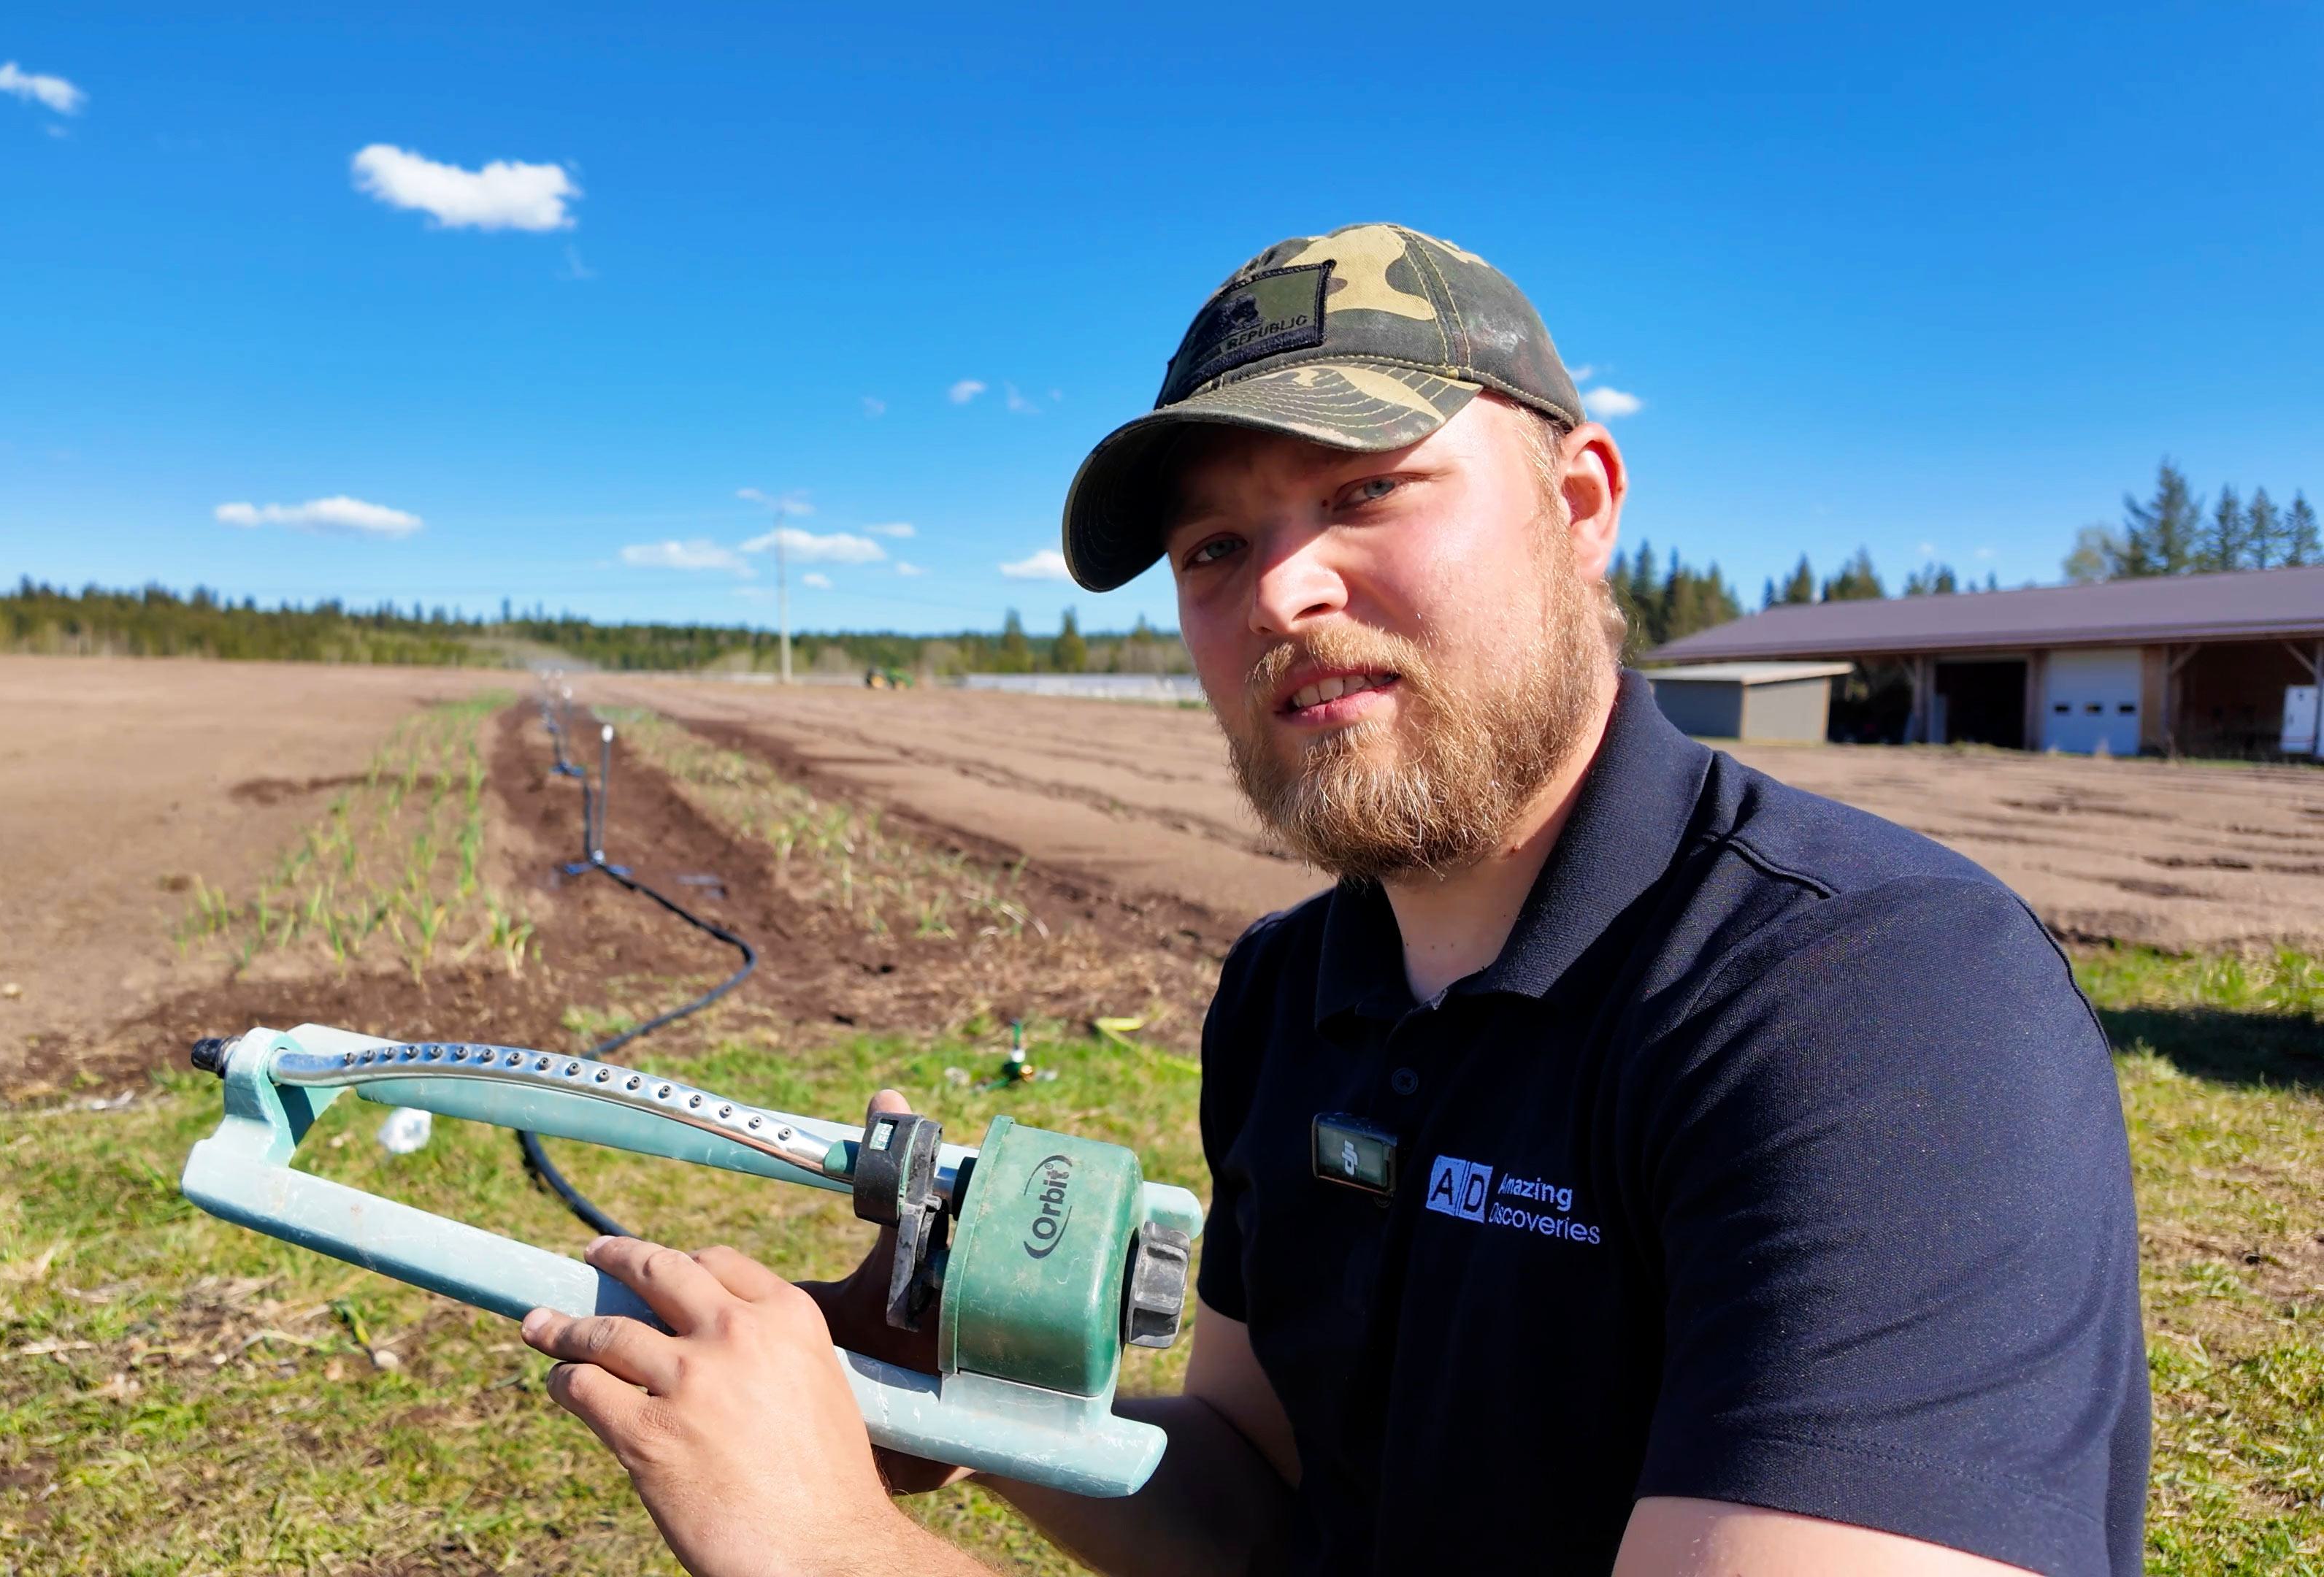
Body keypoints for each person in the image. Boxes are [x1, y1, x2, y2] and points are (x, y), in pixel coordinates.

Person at [515, 223, 2149, 1576]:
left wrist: (821, 1545)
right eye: (1214, 548)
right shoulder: (1294, 992)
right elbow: (1261, 1491)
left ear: (1580, 505)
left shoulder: (1871, 1006)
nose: (1282, 591)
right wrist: (954, 1394)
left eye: (1367, 490)